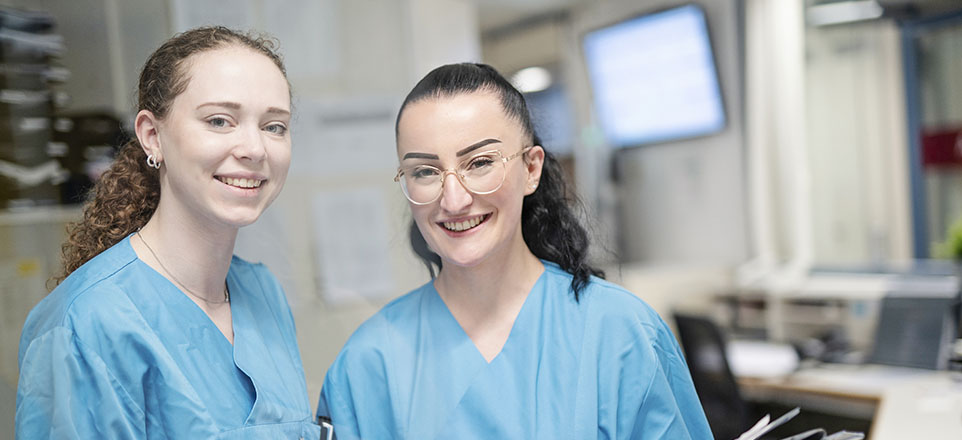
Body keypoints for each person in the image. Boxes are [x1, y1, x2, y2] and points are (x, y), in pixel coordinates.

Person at [316, 63, 712, 439]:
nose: (453, 200)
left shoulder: (619, 332)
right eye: (425, 172)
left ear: (531, 169)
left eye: (480, 162)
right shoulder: (368, 364)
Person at [16, 26, 320, 439]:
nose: (254, 148)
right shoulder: (86, 321)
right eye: (219, 121)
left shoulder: (263, 292)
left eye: (274, 126)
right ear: (152, 136)